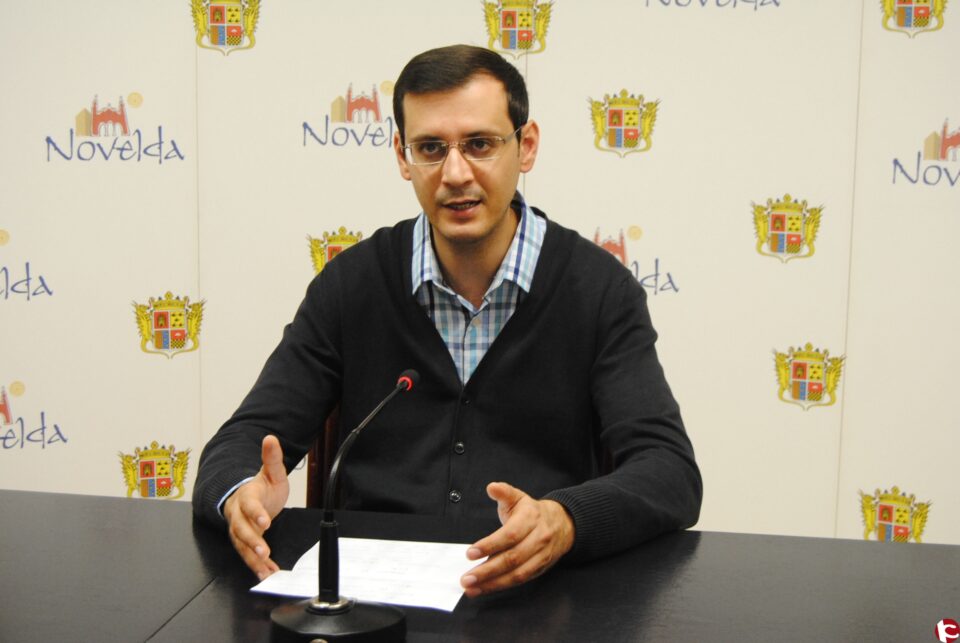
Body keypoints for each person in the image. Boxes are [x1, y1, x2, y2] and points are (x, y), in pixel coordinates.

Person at [193, 44, 701, 598]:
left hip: (535, 597)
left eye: (480, 144)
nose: (456, 173)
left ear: (525, 147)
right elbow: (242, 440)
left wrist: (566, 518)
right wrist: (240, 492)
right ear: (402, 156)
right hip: (369, 601)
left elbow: (668, 471)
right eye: (431, 148)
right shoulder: (351, 285)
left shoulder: (599, 290)